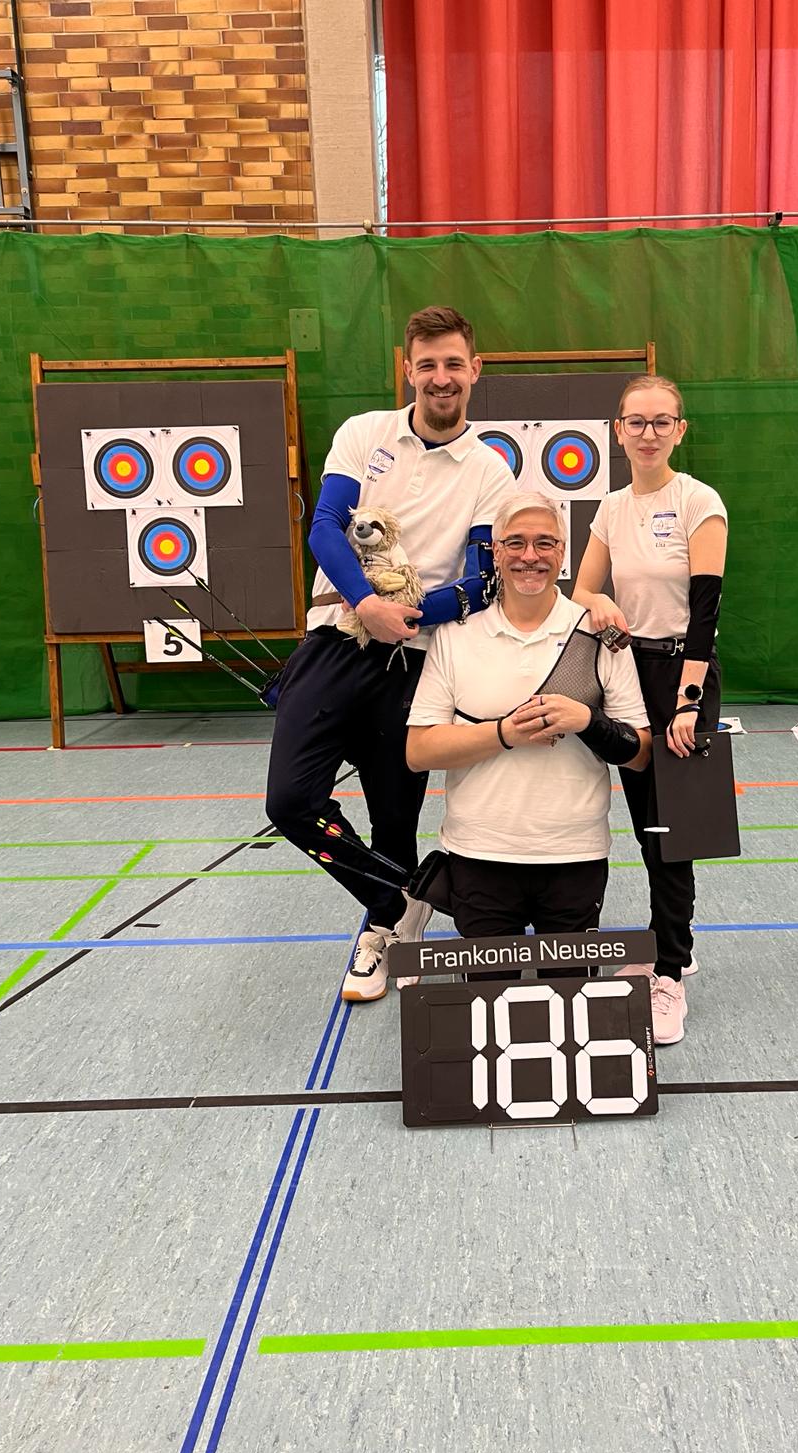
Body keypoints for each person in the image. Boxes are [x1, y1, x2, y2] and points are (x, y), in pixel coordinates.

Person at [266, 306, 515, 1002]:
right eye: (427, 364)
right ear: (408, 370)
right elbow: (325, 526)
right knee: (290, 801)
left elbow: (481, 582)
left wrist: (405, 616)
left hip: (416, 658)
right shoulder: (364, 432)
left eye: (453, 363)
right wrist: (365, 605)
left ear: (475, 370)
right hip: (336, 638)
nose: (441, 377)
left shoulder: (491, 470)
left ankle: (382, 936)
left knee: (394, 817)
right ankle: (397, 900)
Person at [405, 493, 651, 957]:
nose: (530, 556)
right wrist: (504, 734)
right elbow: (419, 752)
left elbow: (639, 753)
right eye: (515, 543)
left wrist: (588, 722)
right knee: (489, 994)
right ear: (496, 552)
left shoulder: (598, 633)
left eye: (544, 543)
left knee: (569, 990)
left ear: (562, 552)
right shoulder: (455, 636)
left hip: (575, 854)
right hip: (479, 853)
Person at [572, 375, 727, 1046]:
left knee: (673, 837)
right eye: (636, 421)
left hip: (682, 676)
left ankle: (669, 974)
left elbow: (706, 610)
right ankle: (673, 942)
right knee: (645, 828)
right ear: (619, 430)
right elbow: (580, 589)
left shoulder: (699, 501)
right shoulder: (610, 508)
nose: (648, 433)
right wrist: (600, 602)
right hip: (627, 675)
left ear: (680, 431)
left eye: (662, 421)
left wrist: (687, 704)